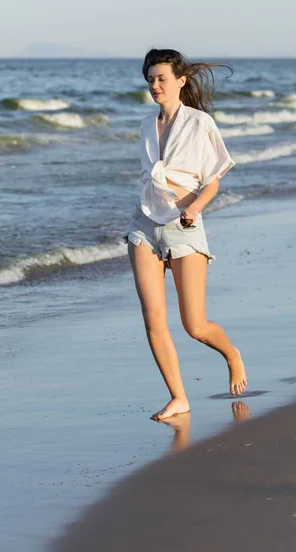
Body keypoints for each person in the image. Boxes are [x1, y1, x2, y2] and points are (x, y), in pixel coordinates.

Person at [123, 48, 247, 422]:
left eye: (161, 78)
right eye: (150, 80)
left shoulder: (199, 123)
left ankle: (231, 354)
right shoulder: (147, 126)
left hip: (183, 225)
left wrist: (194, 209)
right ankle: (179, 397)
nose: (155, 86)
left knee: (194, 324)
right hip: (144, 225)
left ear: (180, 80)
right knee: (153, 321)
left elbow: (213, 180)